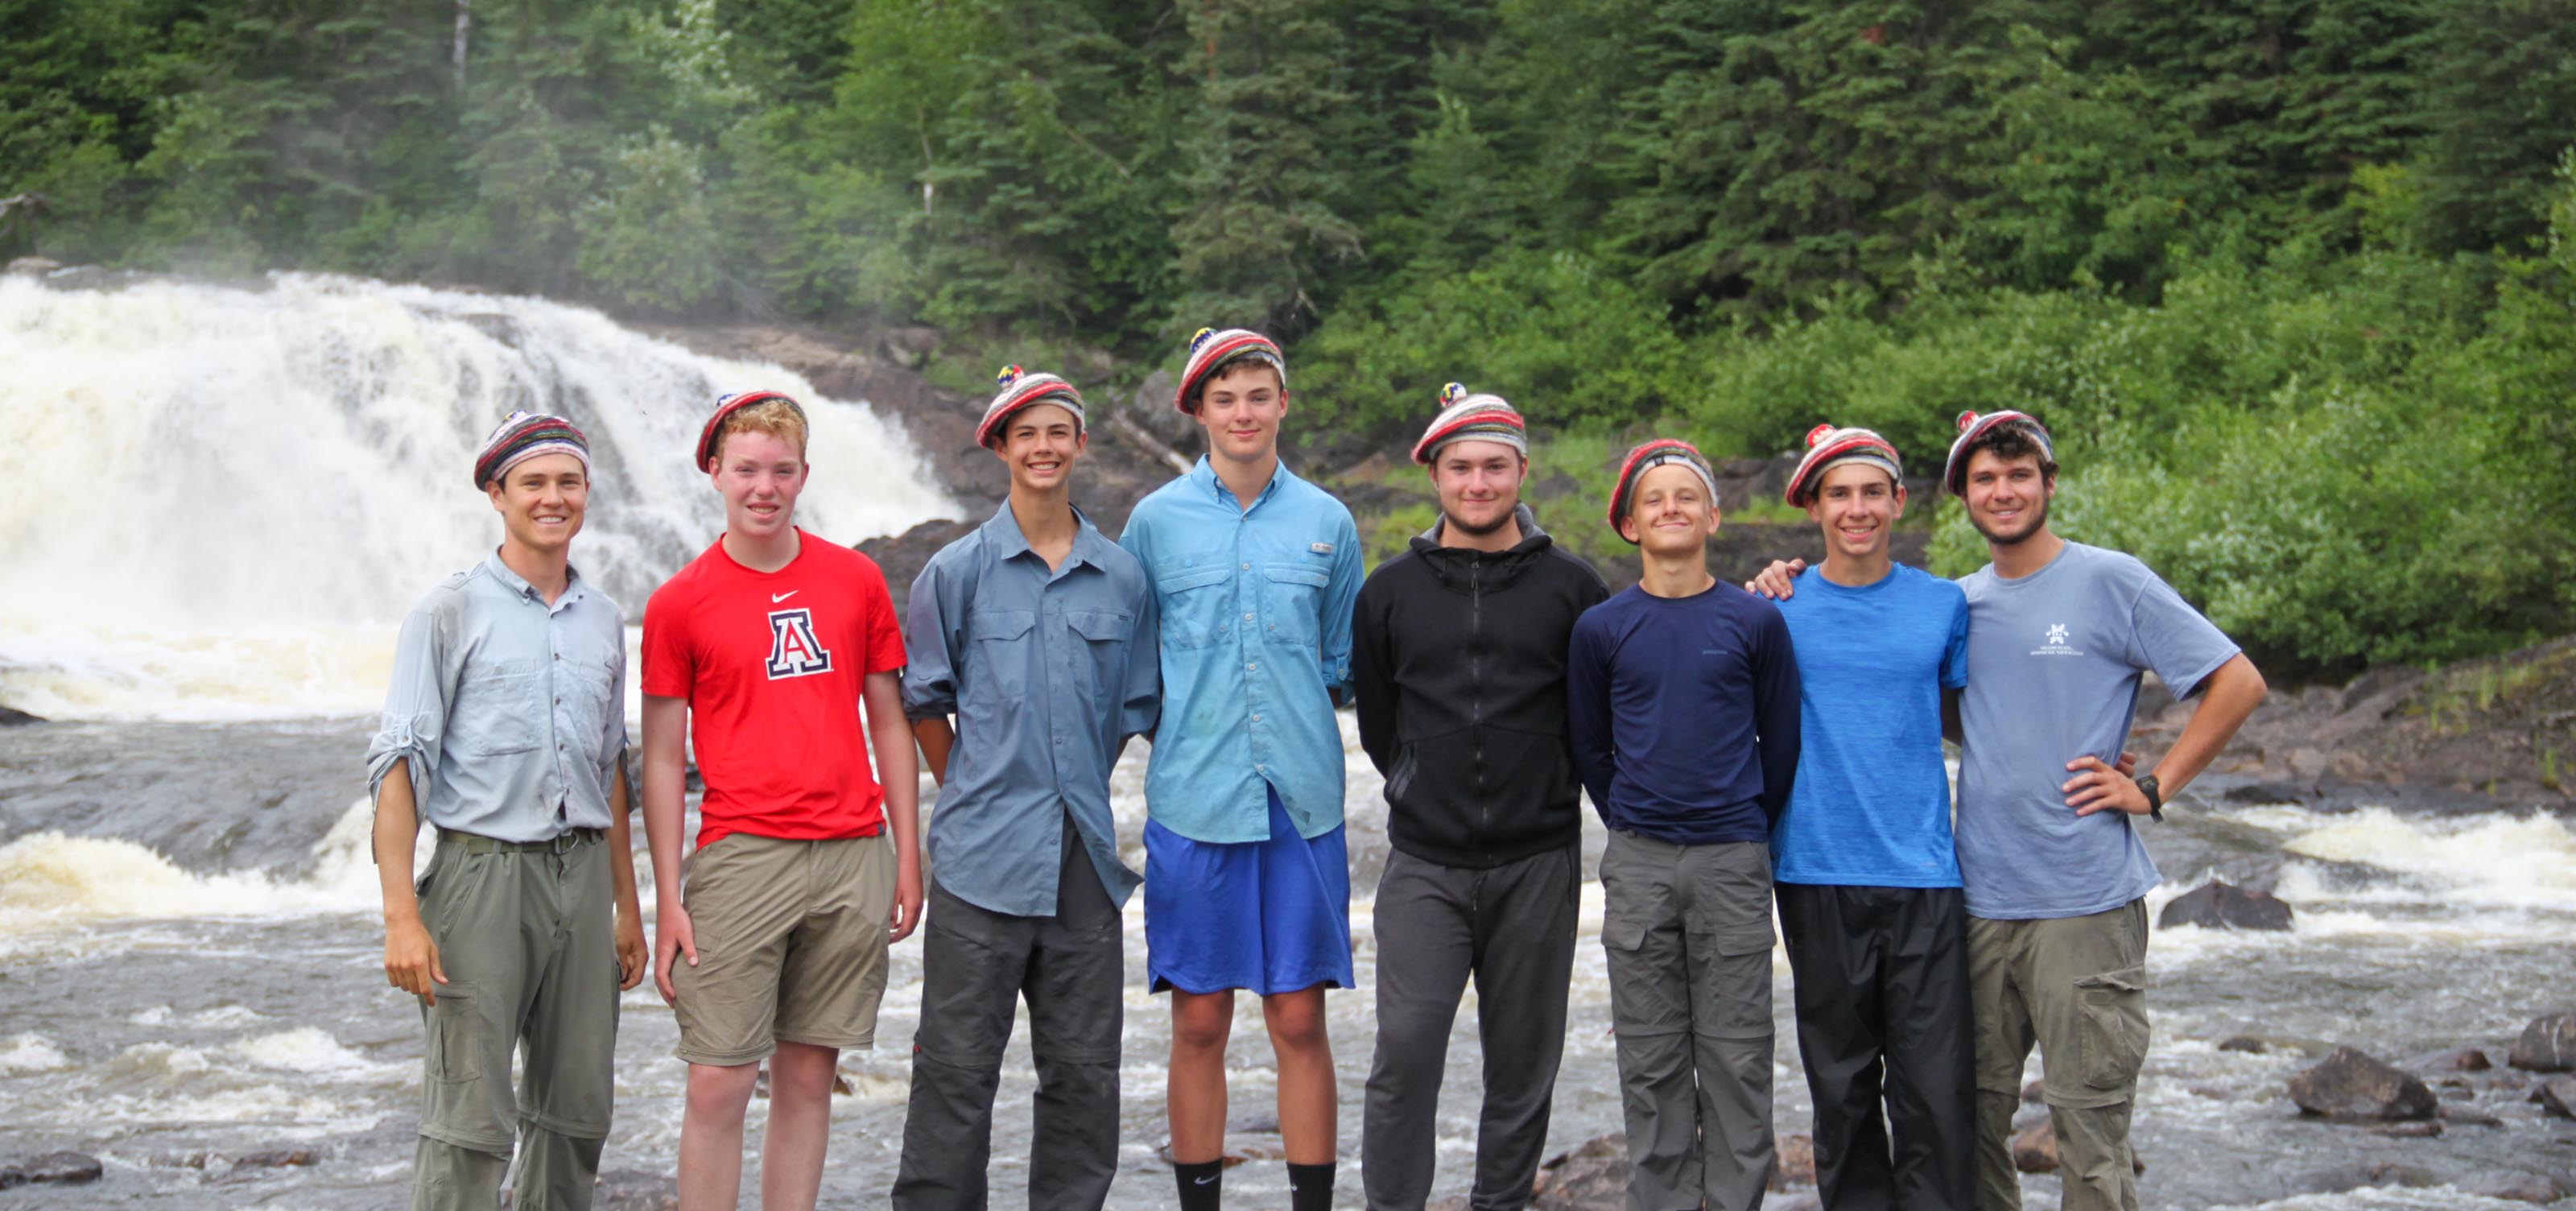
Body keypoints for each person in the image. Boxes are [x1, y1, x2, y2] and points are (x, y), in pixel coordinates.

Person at [1748, 410, 2266, 1211]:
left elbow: (2237, 682)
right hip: (1977, 899)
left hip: (2079, 896)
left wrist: (2152, 785)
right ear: (1961, 497)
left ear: (2047, 483)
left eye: (2018, 474)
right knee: (1968, 1118)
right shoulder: (1953, 604)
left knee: (2087, 1127)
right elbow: (1941, 710)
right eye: (1984, 478)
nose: (2002, 490)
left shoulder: (2096, 580)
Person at [638, 390, 924, 1211]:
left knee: (808, 1075)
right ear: (714, 473)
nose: (763, 487)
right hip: (740, 857)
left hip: (850, 855)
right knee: (718, 1084)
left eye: (780, 471)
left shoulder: (856, 578)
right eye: (746, 470)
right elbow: (661, 759)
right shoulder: (677, 602)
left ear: (802, 476)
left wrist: (908, 857)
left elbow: (891, 725)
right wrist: (669, 899)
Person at [891, 368, 1159, 1210]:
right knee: (955, 1076)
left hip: (1084, 862)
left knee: (1083, 1079)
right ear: (1000, 446)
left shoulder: (1120, 577)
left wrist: (1065, 776)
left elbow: (1129, 708)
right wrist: (974, 781)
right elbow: (924, 701)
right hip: (978, 862)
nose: (1042, 447)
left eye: (1057, 432)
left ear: (1079, 444)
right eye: (1025, 433)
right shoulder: (954, 572)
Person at [367, 411, 647, 1211]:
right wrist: (400, 916)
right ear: (497, 493)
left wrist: (628, 907)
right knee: (469, 1120)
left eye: (568, 482)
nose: (551, 497)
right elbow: (400, 766)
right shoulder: (445, 610)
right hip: (479, 880)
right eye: (532, 483)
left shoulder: (601, 618)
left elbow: (609, 770)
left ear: (587, 493)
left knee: (576, 1112)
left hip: (581, 881)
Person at [1118, 327, 1364, 1211]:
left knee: (1299, 1016)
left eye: (1258, 395)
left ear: (1282, 404)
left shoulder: (1328, 522)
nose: (1243, 412)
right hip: (1193, 801)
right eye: (1224, 398)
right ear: (1197, 410)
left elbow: (1341, 662)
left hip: (1301, 799)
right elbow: (1134, 672)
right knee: (1198, 1018)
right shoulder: (1151, 523)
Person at [1353, 383, 1608, 1211]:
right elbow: (1379, 727)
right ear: (1433, 473)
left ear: (1521, 471)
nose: (1476, 484)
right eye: (1459, 467)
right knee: (1405, 1051)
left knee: (1522, 1064)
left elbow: (1591, 718)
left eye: (1493, 467)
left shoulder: (1574, 589)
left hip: (1537, 859)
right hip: (1424, 861)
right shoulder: (1387, 592)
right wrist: (1418, 784)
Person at [1567, 438, 1800, 1211]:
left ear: (1713, 515)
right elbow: (1591, 748)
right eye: (1654, 499)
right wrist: (1635, 819)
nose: (1671, 508)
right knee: (1652, 1055)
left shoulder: (1753, 622)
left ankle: (1735, 1201)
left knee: (1737, 1054)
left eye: (1686, 497)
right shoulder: (1602, 629)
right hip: (1637, 861)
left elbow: (1781, 742)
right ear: (1630, 524)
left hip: (1733, 857)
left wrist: (1738, 824)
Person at [1767, 424, 1975, 1210]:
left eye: (1870, 492)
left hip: (1923, 873)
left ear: (1897, 501)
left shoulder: (1942, 603)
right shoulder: (1775, 608)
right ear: (1813, 507)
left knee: (1934, 1091)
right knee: (1842, 1089)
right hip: (1813, 870)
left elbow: (1967, 716)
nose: (1855, 509)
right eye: (1838, 494)